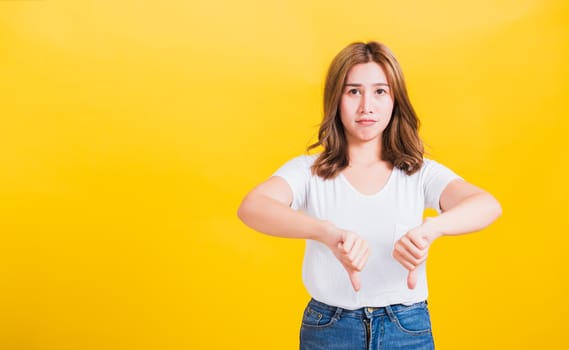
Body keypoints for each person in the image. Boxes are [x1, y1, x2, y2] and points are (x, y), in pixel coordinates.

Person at [237, 41, 502, 350]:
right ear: (335, 99)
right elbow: (252, 207)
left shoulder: (419, 172)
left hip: (407, 329)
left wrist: (431, 229)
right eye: (353, 92)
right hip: (329, 328)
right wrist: (326, 233)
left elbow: (486, 204)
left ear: (395, 100)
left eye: (380, 91)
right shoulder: (310, 170)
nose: (366, 106)